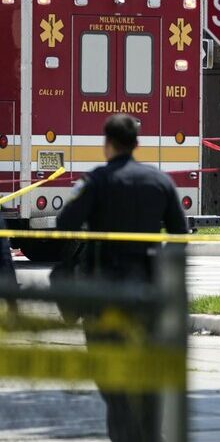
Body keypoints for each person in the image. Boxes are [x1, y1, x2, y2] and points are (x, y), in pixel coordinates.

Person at [57, 113, 188, 442]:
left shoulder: (96, 181)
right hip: (148, 295)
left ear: (107, 144)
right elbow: (180, 234)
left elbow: (64, 223)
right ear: (137, 144)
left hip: (105, 296)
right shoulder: (160, 181)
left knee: (112, 379)